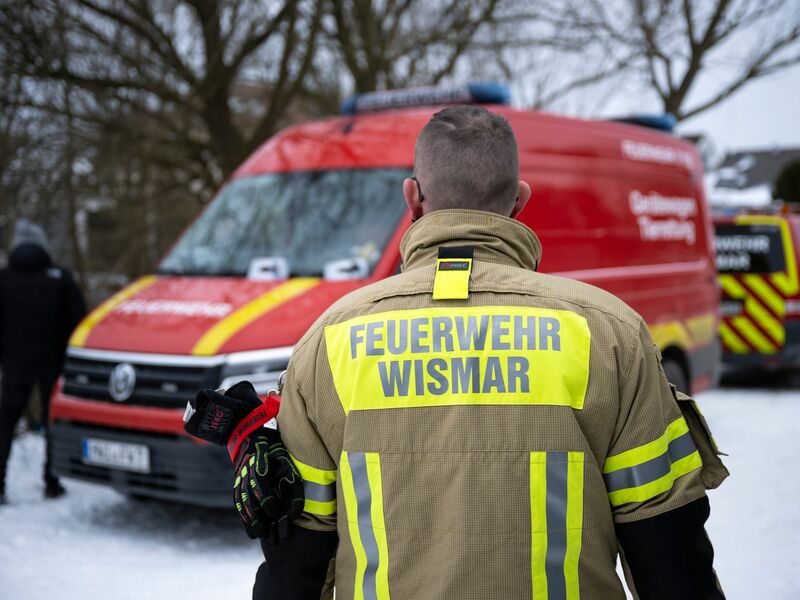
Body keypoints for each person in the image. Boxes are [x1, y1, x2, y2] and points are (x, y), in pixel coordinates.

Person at [213, 105, 729, 599]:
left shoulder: (329, 341)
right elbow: (670, 554)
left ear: (412, 197)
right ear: (520, 199)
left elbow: (296, 561)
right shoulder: (609, 334)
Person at [0, 218, 87, 504]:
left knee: (5, 422)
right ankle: (52, 481)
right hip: (53, 363)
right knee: (53, 421)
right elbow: (80, 323)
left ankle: (0, 485)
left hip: (14, 364)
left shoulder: (4, 278)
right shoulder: (60, 278)